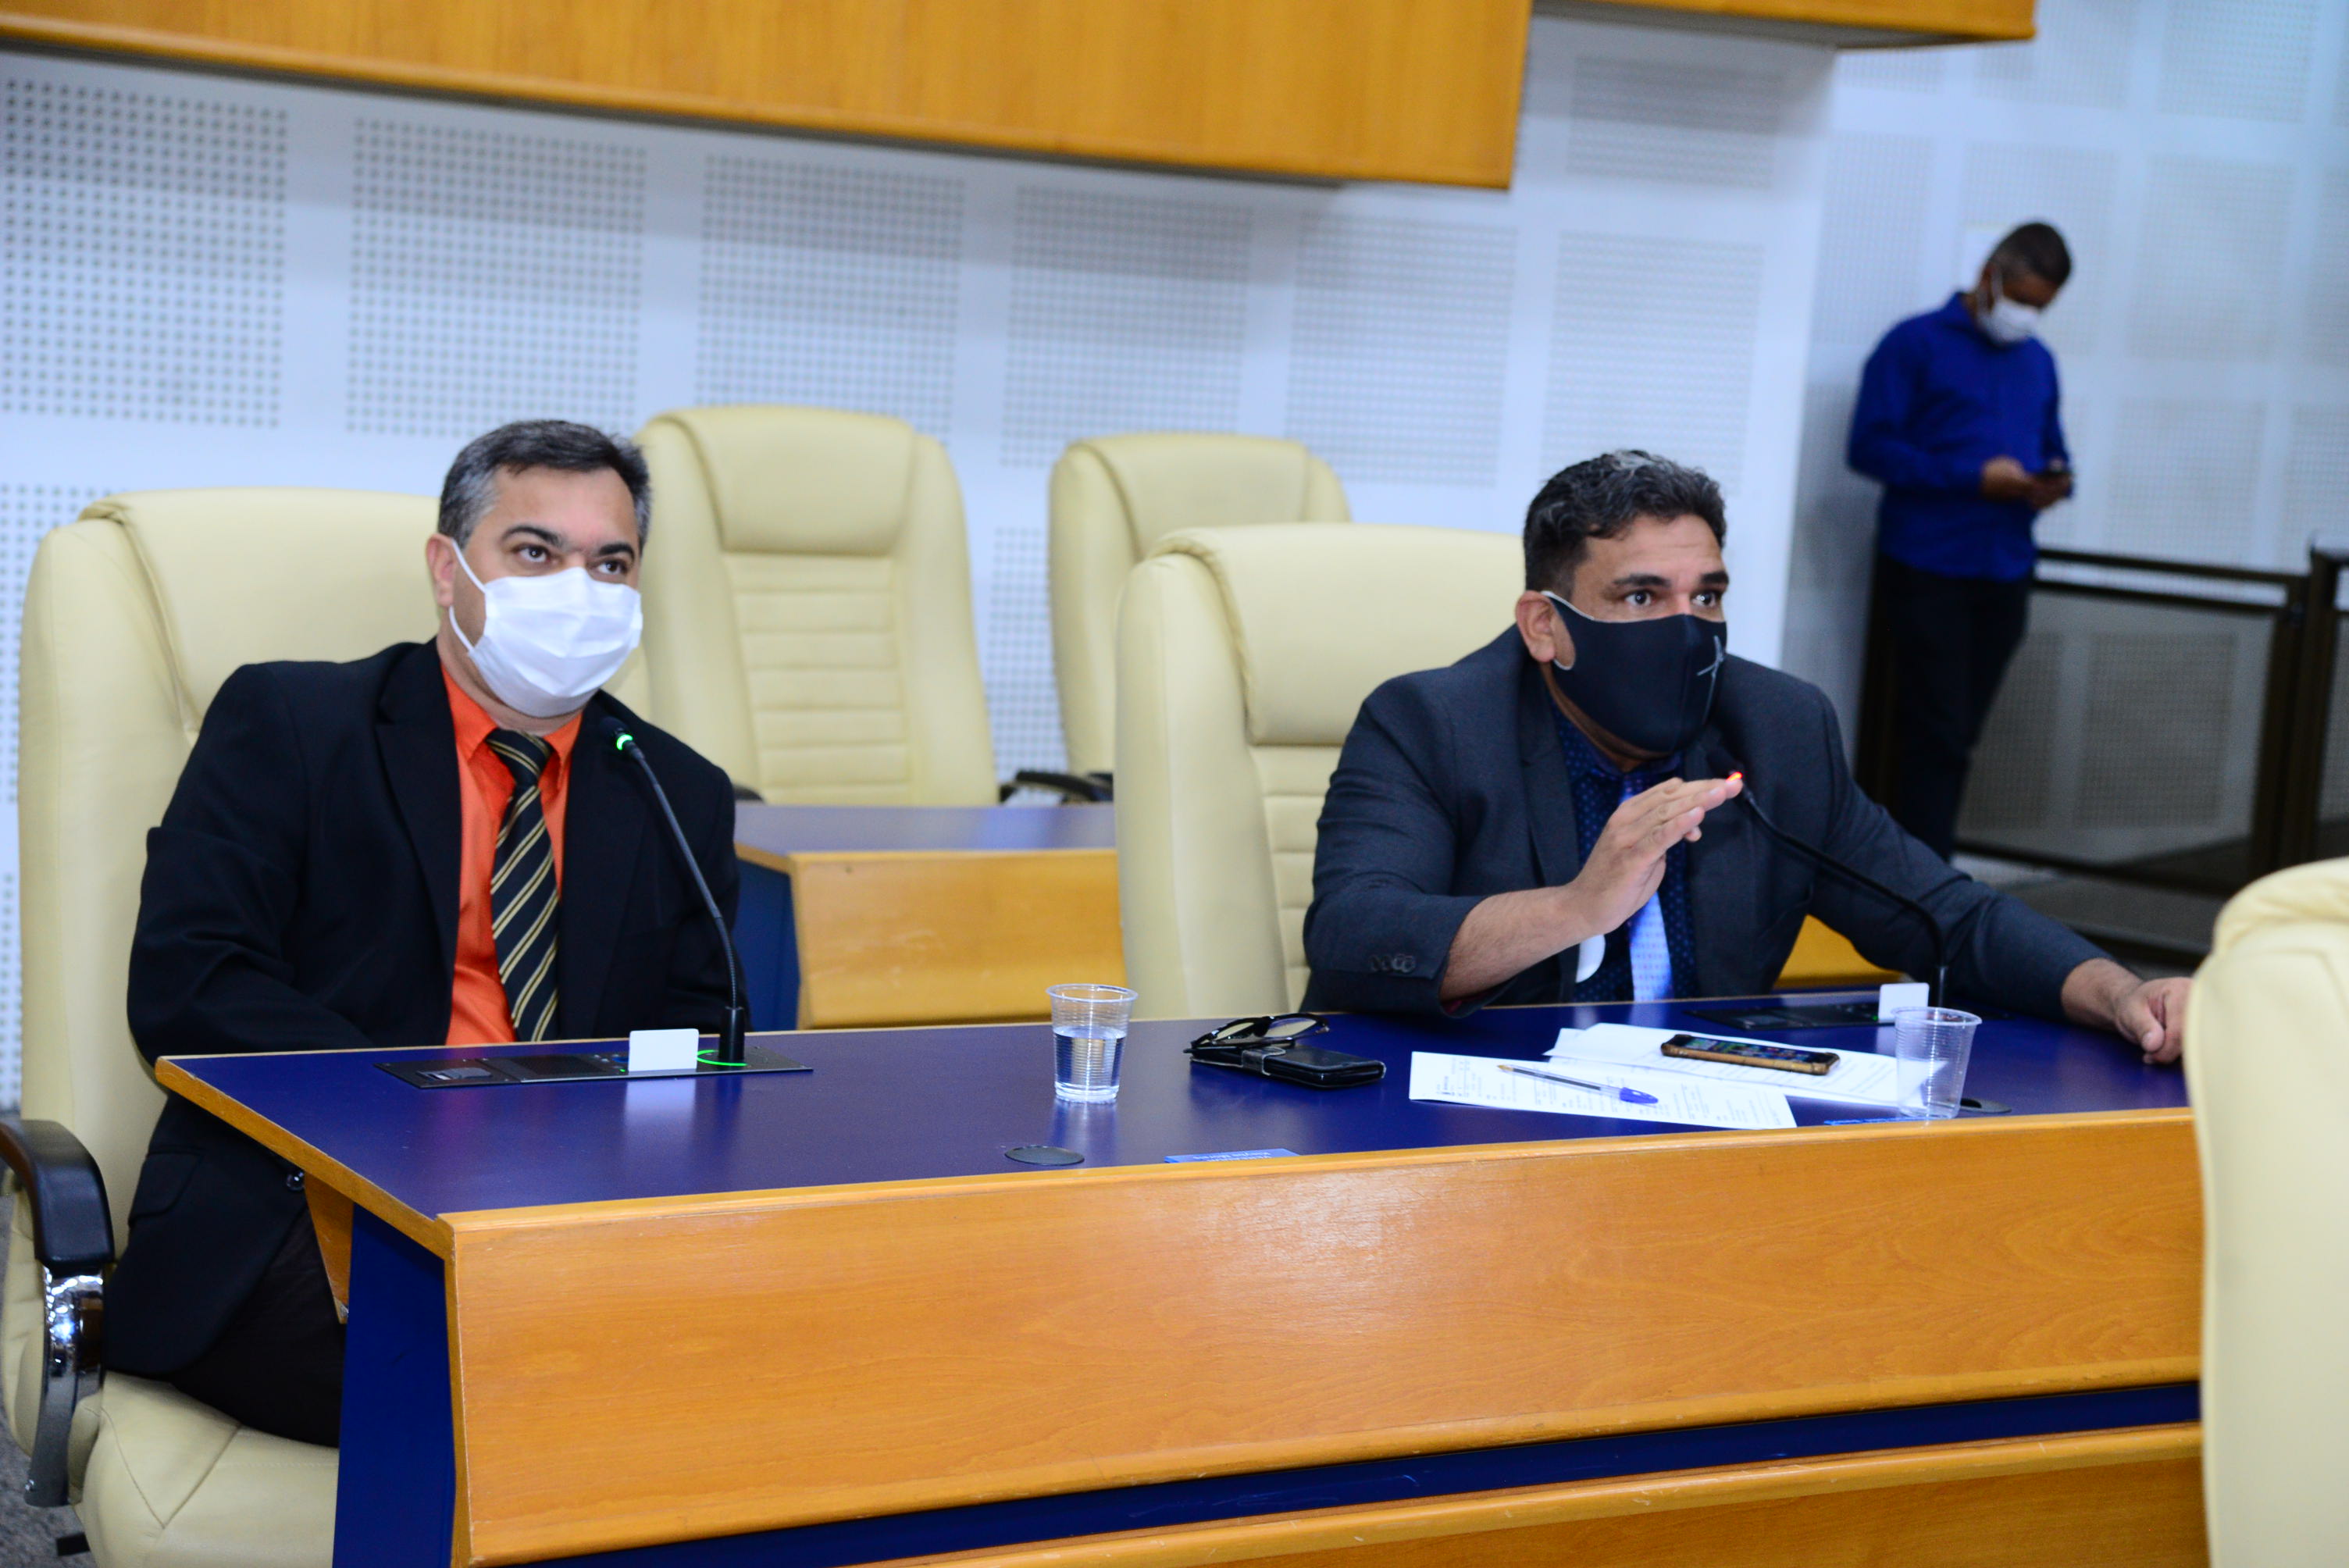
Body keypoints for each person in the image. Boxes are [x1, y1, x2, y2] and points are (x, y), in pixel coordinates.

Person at [105, 420, 739, 1447]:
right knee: (531, 1388)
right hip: (312, 1198)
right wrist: (438, 1108)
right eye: (535, 551)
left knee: (754, 1352)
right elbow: (192, 982)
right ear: (448, 570)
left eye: (610, 564)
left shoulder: (677, 790)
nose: (578, 589)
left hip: (564, 1214)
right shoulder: (293, 720)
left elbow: (702, 1037)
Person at [1301, 451, 2186, 1065]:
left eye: (1706, 597)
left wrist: (2118, 992)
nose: (1685, 629)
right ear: (1545, 626)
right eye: (1641, 596)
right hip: (1473, 1125)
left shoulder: (1773, 725)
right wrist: (1576, 907)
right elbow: (1355, 937)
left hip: (1702, 1121)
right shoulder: (1432, 723)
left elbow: (1947, 917)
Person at [1848, 222, 2075, 859]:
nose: (2027, 315)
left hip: (2005, 566)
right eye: (2021, 299)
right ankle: (1923, 884)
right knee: (1934, 731)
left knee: (1958, 733)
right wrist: (1971, 477)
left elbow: (2054, 447)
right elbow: (1868, 447)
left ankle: (1916, 872)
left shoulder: (2038, 361)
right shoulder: (1914, 343)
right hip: (1928, 564)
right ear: (1988, 277)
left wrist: (2053, 482)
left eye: (2041, 306)